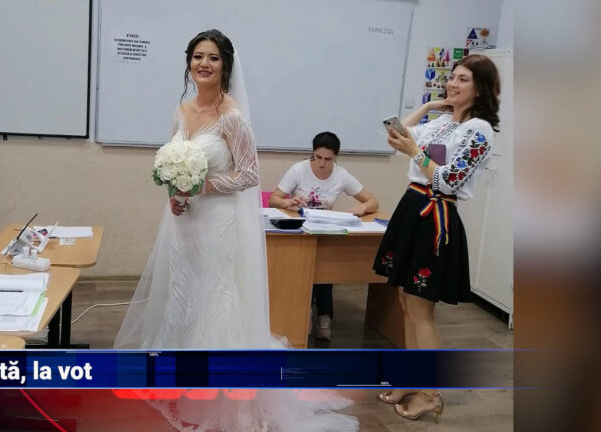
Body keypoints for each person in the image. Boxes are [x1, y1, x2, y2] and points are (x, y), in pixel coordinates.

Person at [114, 29, 358, 431]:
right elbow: (173, 164)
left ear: (225, 65)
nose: (204, 64)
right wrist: (177, 194)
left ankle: (216, 391)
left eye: (213, 57)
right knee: (182, 291)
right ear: (189, 62)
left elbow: (248, 175)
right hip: (184, 222)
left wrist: (201, 186)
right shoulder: (181, 111)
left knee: (212, 296)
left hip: (216, 222)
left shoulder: (232, 117)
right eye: (197, 56)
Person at [372, 54, 500, 422]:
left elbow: (448, 180)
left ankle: (430, 393)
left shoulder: (479, 131)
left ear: (480, 89)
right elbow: (397, 136)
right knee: (405, 302)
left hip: (435, 215)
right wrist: (428, 106)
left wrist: (414, 152)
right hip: (412, 208)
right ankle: (411, 378)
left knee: (422, 310)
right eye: (452, 77)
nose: (452, 84)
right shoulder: (443, 122)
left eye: (462, 79)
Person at [269, 131, 378, 340]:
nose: (321, 164)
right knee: (316, 269)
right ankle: (317, 313)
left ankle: (319, 315)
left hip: (327, 231)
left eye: (328, 159)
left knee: (325, 268)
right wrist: (288, 202)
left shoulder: (341, 175)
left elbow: (372, 201)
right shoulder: (299, 170)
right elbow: (274, 199)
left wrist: (362, 208)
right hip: (301, 233)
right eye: (317, 157)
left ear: (335, 157)